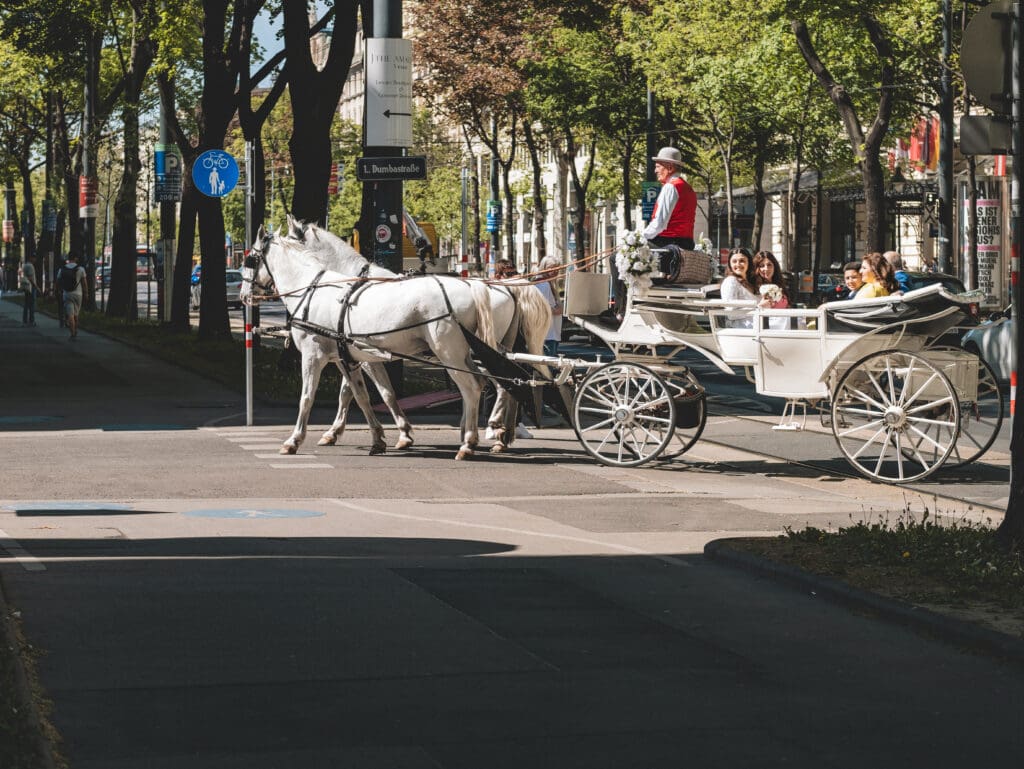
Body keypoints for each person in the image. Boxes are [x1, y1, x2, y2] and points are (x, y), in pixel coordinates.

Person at [642, 147, 698, 250]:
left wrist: (640, 238)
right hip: (687, 243)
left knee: (616, 257)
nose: (655, 171)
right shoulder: (688, 188)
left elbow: (659, 224)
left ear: (670, 168)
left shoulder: (670, 187)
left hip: (668, 243)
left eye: (658, 167)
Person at [720, 248, 758, 328]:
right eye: (734, 261)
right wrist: (758, 307)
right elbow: (731, 314)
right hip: (741, 329)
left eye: (742, 261)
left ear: (749, 263)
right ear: (730, 264)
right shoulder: (731, 282)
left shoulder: (751, 282)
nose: (738, 264)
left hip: (757, 326)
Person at [534, 255, 563, 356]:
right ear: (544, 268)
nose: (555, 271)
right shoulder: (544, 284)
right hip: (548, 334)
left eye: (557, 269)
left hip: (551, 332)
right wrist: (558, 310)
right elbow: (541, 307)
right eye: (552, 268)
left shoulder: (548, 283)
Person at [58, 253, 88, 340]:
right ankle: (76, 329)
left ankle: (72, 333)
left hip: (67, 294)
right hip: (78, 294)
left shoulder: (62, 269)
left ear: (68, 258)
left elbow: (58, 281)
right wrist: (86, 293)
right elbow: (84, 283)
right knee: (76, 314)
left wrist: (59, 291)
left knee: (70, 315)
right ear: (76, 258)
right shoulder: (80, 269)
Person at [19, 256, 39, 326]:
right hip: (31, 287)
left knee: (26, 304)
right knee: (32, 304)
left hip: (26, 287)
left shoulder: (25, 265)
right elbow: (30, 278)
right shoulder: (31, 266)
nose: (35, 259)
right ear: (31, 258)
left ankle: (25, 320)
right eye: (34, 257)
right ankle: (31, 320)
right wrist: (36, 287)